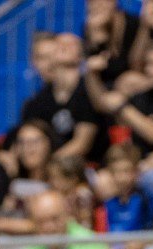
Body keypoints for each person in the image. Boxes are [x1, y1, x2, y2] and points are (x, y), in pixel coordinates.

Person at [19, 33, 107, 165]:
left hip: (87, 166)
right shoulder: (39, 100)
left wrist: (49, 165)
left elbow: (82, 143)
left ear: (80, 55)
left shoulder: (89, 90)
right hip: (52, 167)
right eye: (59, 44)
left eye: (70, 45)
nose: (64, 47)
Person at [95, 144, 153, 235]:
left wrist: (142, 243)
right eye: (117, 172)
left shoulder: (145, 199)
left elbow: (151, 227)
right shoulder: (107, 202)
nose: (122, 178)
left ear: (136, 172)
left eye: (127, 171)